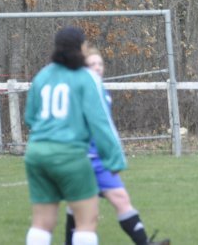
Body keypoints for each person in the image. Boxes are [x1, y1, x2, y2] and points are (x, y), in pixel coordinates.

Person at [24, 26, 126, 245]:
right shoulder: (86, 78)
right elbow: (101, 123)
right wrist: (114, 160)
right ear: (81, 48)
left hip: (36, 153)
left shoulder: (43, 75)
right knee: (86, 221)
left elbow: (30, 117)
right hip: (69, 154)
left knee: (41, 222)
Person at [64, 47, 169, 245]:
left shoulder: (102, 91)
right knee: (80, 208)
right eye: (92, 64)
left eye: (100, 64)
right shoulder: (79, 91)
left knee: (121, 198)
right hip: (82, 159)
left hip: (101, 160)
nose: (97, 67)